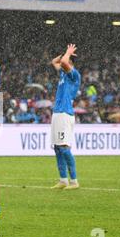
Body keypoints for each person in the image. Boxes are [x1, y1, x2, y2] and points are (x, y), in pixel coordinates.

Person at [50, 44, 81, 190]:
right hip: (57, 113)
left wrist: (67, 54)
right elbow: (54, 62)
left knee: (64, 147)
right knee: (57, 147)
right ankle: (63, 180)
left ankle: (74, 181)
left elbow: (62, 62)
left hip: (64, 113)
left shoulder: (74, 75)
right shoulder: (63, 74)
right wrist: (64, 53)